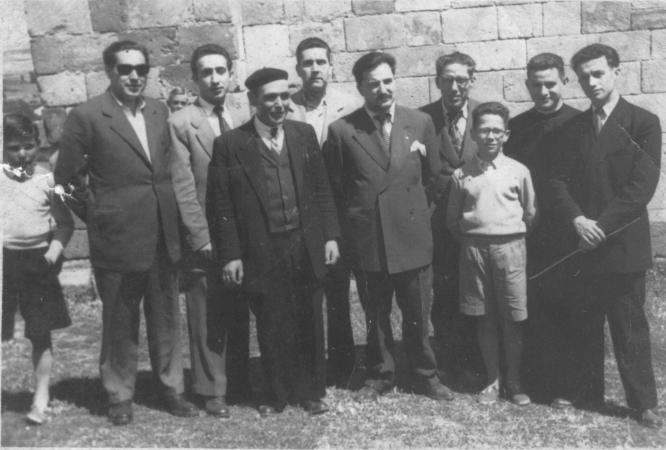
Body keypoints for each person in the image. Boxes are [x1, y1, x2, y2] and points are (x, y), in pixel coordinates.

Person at [55, 40, 197, 425]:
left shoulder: (158, 110)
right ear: (109, 72)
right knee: (120, 320)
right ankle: (119, 394)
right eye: (125, 69)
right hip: (117, 237)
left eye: (141, 69)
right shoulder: (86, 116)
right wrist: (98, 214)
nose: (134, 76)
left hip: (162, 232)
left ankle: (172, 388)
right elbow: (65, 181)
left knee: (166, 317)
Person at [206, 68, 341, 416]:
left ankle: (310, 391)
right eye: (270, 97)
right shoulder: (230, 145)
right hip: (263, 248)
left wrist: (330, 236)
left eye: (284, 96)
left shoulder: (303, 134)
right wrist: (231, 255)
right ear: (253, 100)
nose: (279, 104)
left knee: (309, 316)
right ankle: (275, 393)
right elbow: (220, 205)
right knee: (271, 318)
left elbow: (322, 188)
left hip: (305, 242)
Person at [324, 51, 452, 401]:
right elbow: (335, 190)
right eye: (373, 84)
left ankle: (425, 375)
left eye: (388, 81)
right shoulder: (342, 131)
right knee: (376, 314)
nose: (382, 89)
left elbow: (435, 178)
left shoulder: (420, 122)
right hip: (369, 238)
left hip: (412, 235)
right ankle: (380, 374)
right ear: (360, 88)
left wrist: (419, 216)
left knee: (417, 312)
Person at [550, 43, 663, 428]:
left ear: (616, 71)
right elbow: (558, 181)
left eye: (598, 73)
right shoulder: (573, 128)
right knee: (583, 321)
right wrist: (578, 221)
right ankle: (585, 392)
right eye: (584, 77)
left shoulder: (643, 123)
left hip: (623, 244)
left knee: (629, 326)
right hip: (583, 241)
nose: (592, 82)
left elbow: (641, 187)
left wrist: (601, 227)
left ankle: (643, 403)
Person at [503, 53, 587, 406]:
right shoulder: (517, 127)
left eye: (550, 83)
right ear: (527, 85)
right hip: (530, 229)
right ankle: (536, 383)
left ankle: (567, 386)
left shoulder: (582, 123)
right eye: (536, 85)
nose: (544, 91)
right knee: (533, 306)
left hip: (568, 229)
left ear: (564, 82)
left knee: (569, 306)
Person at [169, 43, 248, 417]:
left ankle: (240, 379)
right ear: (195, 79)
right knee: (206, 312)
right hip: (205, 233)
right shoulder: (181, 123)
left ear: (231, 74)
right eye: (206, 72)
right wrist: (199, 236)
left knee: (238, 308)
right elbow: (183, 187)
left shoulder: (242, 114)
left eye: (221, 71)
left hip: (241, 233)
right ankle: (211, 387)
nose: (215, 79)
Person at [447, 102, 536, 406]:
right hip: (474, 250)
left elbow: (530, 214)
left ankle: (514, 380)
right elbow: (452, 220)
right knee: (484, 317)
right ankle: (492, 379)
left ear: (506, 134)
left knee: (512, 317)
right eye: (484, 130)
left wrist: (508, 238)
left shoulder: (519, 171)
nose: (490, 136)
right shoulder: (462, 174)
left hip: (511, 249)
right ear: (473, 133)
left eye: (497, 130)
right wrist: (475, 240)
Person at [287, 37, 360, 386]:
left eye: (320, 62)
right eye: (307, 63)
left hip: (339, 211)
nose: (315, 68)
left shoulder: (350, 105)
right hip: (299, 214)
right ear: (298, 68)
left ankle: (343, 364)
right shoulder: (285, 107)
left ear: (331, 66)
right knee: (304, 291)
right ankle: (308, 364)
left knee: (338, 290)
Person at [1, 113, 74, 425]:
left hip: (37, 263)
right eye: (13, 147)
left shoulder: (47, 180)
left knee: (39, 330)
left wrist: (53, 252)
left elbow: (65, 224)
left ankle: (40, 397)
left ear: (38, 145)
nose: (22, 153)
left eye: (28, 146)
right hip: (4, 262)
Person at [419, 51, 483, 388]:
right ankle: (447, 361)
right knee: (443, 293)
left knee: (476, 292)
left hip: (477, 221)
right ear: (437, 82)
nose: (454, 87)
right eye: (447, 80)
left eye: (461, 80)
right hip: (438, 225)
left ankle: (477, 362)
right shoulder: (421, 119)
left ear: (472, 80)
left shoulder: (486, 116)